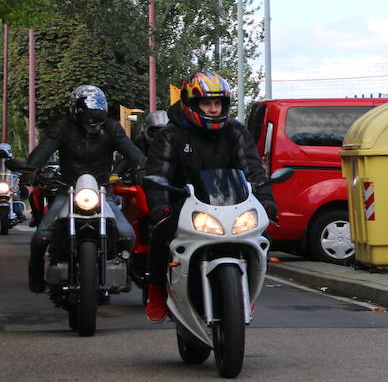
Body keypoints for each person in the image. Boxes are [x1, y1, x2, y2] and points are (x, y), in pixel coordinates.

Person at [141, 72, 276, 323]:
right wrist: (160, 205)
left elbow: (252, 168)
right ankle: (157, 290)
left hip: (232, 204)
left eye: (218, 104)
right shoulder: (170, 134)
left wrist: (267, 201)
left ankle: (245, 291)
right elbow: (157, 171)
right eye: (207, 103)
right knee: (159, 234)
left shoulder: (236, 131)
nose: (214, 109)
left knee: (262, 234)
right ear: (191, 104)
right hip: (182, 204)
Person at [23, 85, 144, 293]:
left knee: (127, 234)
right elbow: (45, 148)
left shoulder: (113, 128)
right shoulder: (62, 127)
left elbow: (130, 149)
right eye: (89, 121)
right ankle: (36, 276)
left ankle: (124, 271)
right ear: (76, 113)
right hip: (67, 191)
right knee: (40, 236)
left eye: (97, 121)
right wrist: (31, 169)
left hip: (101, 192)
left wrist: (141, 167)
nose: (93, 126)